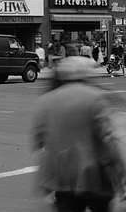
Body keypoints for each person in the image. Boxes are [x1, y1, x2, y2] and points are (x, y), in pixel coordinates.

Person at [33, 55, 114, 212]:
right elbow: (109, 136)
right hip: (95, 175)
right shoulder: (97, 97)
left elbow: (38, 140)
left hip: (63, 176)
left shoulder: (47, 100)